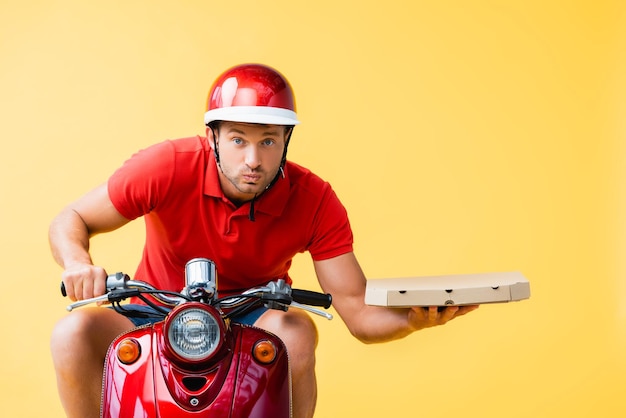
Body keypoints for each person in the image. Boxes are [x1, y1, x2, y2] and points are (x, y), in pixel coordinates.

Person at [49, 63, 478, 418]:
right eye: (238, 140)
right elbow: (73, 218)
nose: (253, 161)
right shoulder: (167, 166)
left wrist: (414, 320)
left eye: (268, 142)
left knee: (296, 329)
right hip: (156, 312)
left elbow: (359, 311)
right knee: (72, 333)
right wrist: (76, 263)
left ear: (285, 142)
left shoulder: (314, 200)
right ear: (213, 137)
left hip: (251, 318)